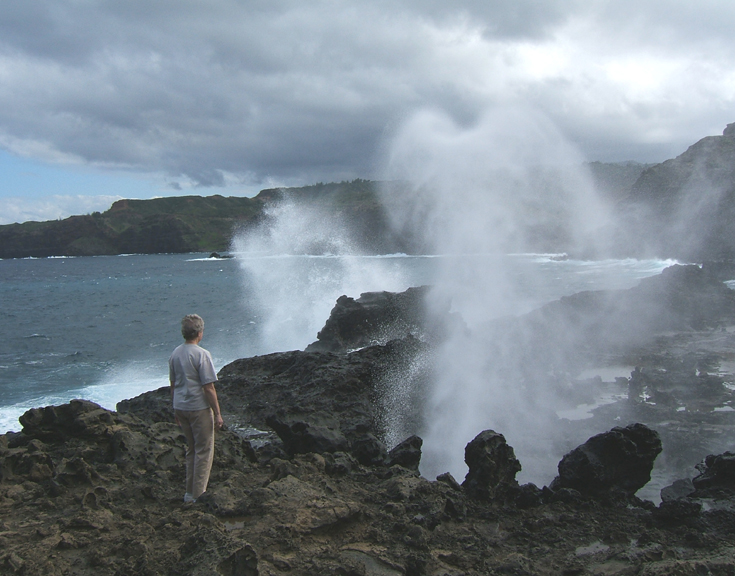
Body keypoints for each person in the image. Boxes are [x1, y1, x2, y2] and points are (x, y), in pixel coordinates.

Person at [169, 314, 224, 503]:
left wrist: (175, 409)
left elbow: (173, 384)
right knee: (204, 450)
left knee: (191, 449)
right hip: (198, 408)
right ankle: (198, 496)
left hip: (181, 406)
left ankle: (188, 493)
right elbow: (208, 387)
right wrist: (217, 413)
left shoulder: (175, 353)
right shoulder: (201, 354)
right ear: (200, 333)